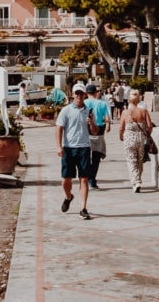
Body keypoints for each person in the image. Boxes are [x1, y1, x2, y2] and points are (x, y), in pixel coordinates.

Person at [56, 83, 99, 219]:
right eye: (77, 93)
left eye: (81, 93)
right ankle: (68, 196)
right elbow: (59, 128)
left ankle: (83, 208)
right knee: (65, 180)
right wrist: (59, 146)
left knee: (84, 179)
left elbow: (95, 131)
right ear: (73, 95)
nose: (79, 96)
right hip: (69, 148)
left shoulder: (89, 110)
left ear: (85, 94)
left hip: (84, 147)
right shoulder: (66, 110)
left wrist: (92, 122)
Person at [120, 88, 155, 192]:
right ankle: (137, 179)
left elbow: (121, 127)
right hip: (141, 138)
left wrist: (121, 136)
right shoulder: (143, 111)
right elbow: (150, 126)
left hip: (129, 138)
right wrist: (147, 136)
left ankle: (136, 182)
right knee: (140, 161)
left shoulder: (125, 112)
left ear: (129, 100)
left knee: (131, 161)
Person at [84, 83, 109, 189]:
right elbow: (107, 118)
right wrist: (108, 125)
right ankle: (92, 179)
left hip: (86, 130)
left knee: (86, 156)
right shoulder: (102, 104)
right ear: (95, 92)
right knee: (96, 157)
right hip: (99, 130)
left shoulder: (83, 103)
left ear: (86, 93)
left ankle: (88, 178)